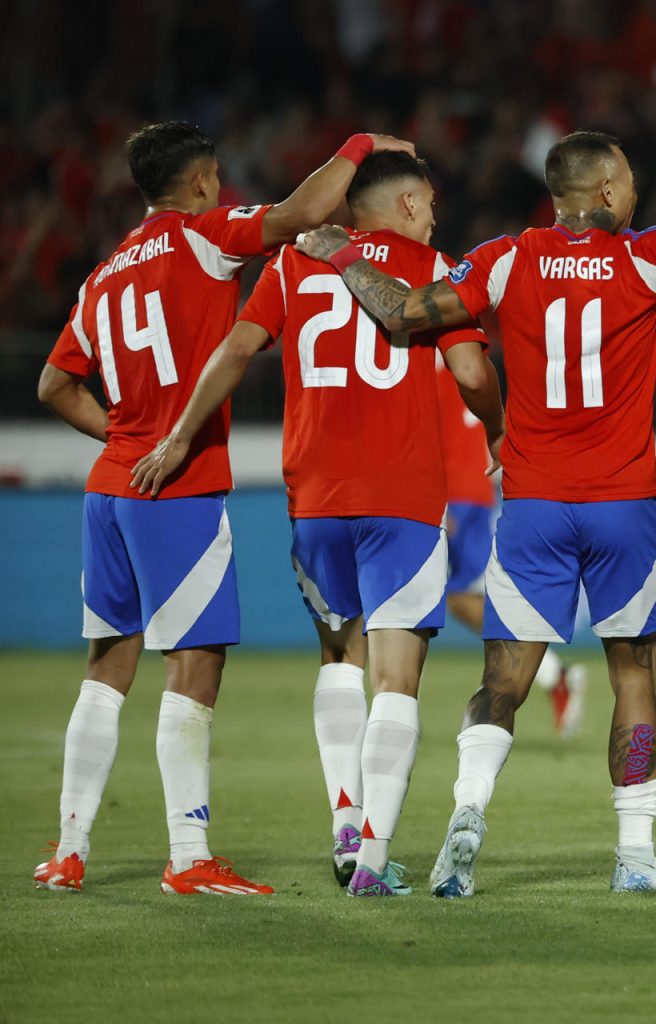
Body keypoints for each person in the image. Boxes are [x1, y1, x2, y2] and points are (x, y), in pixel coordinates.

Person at [295, 98, 656, 895]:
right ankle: (633, 853)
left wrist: (337, 253)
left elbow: (402, 314)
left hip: (531, 506)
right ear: (599, 191)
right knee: (634, 676)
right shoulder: (644, 257)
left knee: (503, 680)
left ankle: (469, 810)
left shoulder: (503, 258)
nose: (633, 195)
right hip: (622, 506)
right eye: (624, 182)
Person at [33, 122, 412, 896]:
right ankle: (188, 854)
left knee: (106, 671)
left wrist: (126, 434)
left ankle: (69, 851)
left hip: (110, 487)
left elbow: (53, 386)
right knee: (195, 664)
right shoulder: (205, 239)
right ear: (203, 181)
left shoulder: (103, 275)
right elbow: (306, 213)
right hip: (177, 487)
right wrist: (358, 145)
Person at [132, 151, 503, 897]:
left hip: (315, 498)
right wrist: (501, 434)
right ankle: (370, 860)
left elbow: (237, 349)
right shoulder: (435, 266)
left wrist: (178, 435)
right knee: (398, 677)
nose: (434, 215)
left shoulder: (293, 267)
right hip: (402, 496)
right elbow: (468, 373)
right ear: (402, 206)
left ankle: (343, 818)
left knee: (340, 657)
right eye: (427, 202)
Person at [436, 362, 588, 741]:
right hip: (474, 488)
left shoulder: (426, 361)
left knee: (457, 597)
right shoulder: (465, 357)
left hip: (454, 492)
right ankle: (552, 673)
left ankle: (551, 674)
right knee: (460, 597)